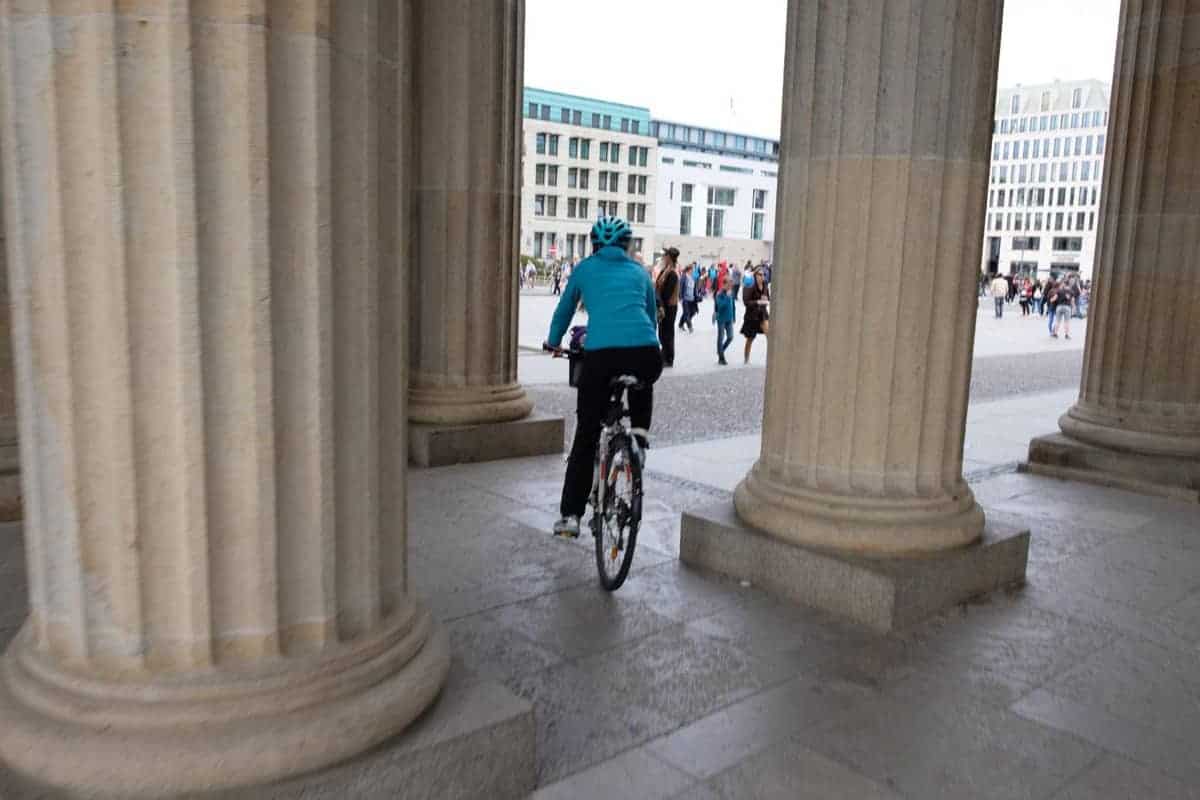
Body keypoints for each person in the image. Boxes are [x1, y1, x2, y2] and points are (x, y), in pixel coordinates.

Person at [544, 216, 663, 539]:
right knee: (642, 380)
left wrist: (553, 341)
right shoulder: (640, 272)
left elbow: (565, 309)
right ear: (627, 246)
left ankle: (571, 516)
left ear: (595, 245)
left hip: (601, 357)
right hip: (646, 352)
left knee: (586, 433)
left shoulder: (584, 268)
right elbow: (651, 318)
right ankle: (638, 440)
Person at [655, 248, 681, 368]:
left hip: (669, 307)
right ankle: (664, 353)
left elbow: (667, 293)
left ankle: (669, 358)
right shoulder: (665, 270)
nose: (663, 257)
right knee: (662, 332)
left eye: (665, 255)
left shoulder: (673, 273)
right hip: (663, 305)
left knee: (667, 332)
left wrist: (661, 306)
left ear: (669, 258)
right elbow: (658, 285)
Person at [741, 268, 770, 365]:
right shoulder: (750, 286)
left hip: (762, 314)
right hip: (752, 316)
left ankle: (770, 359)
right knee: (750, 339)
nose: (762, 277)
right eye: (760, 275)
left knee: (769, 335)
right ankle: (746, 359)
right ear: (755, 275)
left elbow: (768, 298)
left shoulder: (765, 285)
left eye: (763, 275)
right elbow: (746, 302)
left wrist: (766, 299)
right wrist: (757, 302)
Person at [715, 277, 735, 365]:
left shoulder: (731, 293)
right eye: (729, 285)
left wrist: (734, 316)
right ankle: (721, 358)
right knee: (721, 338)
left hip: (729, 319)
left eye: (731, 285)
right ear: (724, 284)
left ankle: (720, 350)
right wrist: (727, 297)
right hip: (721, 319)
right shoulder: (719, 294)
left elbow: (732, 305)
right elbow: (720, 306)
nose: (730, 286)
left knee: (730, 337)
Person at [679, 263, 697, 333]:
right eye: (692, 269)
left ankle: (680, 324)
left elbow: (694, 288)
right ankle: (690, 327)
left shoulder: (692, 277)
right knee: (686, 313)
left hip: (691, 298)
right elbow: (681, 287)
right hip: (685, 298)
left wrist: (696, 296)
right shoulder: (684, 277)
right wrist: (680, 297)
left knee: (692, 312)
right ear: (689, 270)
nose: (693, 271)